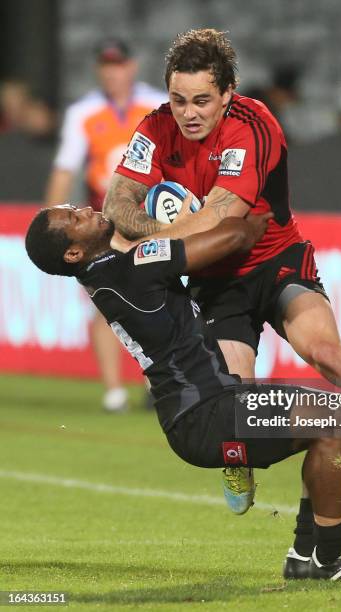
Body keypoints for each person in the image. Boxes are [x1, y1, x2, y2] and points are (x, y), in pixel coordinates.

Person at [102, 29, 341, 574]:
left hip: (275, 262)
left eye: (202, 100)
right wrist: (167, 229)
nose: (188, 113)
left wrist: (158, 235)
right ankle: (284, 521)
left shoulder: (254, 127)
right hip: (215, 282)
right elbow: (116, 203)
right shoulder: (154, 128)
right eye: (179, 100)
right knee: (233, 395)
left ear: (228, 92)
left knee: (326, 353)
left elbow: (221, 220)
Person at [45, 39, 167, 411]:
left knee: (159, 295)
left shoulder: (156, 103)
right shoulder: (84, 112)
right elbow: (65, 169)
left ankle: (156, 383)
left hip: (150, 215)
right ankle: (114, 391)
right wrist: (52, 225)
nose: (112, 72)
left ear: (131, 66)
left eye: (118, 65)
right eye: (106, 65)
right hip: (103, 221)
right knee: (105, 301)